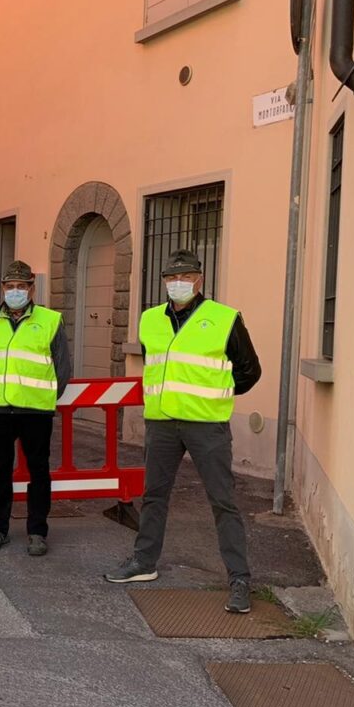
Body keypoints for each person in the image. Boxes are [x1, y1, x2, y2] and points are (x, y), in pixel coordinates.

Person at [104, 249, 262, 614]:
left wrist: (217, 394)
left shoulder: (224, 319)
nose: (178, 284)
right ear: (163, 281)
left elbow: (249, 370)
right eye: (172, 278)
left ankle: (239, 579)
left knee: (222, 501)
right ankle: (144, 563)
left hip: (206, 425)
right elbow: (156, 365)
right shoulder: (149, 320)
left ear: (200, 280)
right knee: (155, 495)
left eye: (186, 277)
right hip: (161, 424)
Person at [0, 260, 71, 556]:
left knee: (38, 470)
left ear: (32, 288)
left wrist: (44, 399)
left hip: (35, 411)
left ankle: (37, 531)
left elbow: (63, 368)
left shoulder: (50, 320)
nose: (15, 291)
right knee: (0, 469)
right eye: (9, 286)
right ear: (3, 289)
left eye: (21, 286)